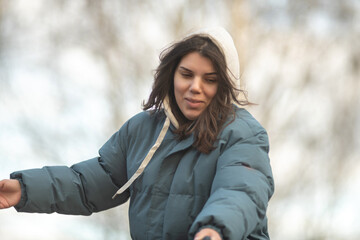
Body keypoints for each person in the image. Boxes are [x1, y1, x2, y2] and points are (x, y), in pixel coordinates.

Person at [0, 27, 274, 240]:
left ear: (225, 84)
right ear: (171, 75)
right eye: (186, 74)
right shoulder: (142, 130)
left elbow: (240, 191)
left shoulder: (244, 133)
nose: (195, 87)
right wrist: (23, 189)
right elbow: (88, 184)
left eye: (210, 79)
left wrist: (215, 229)